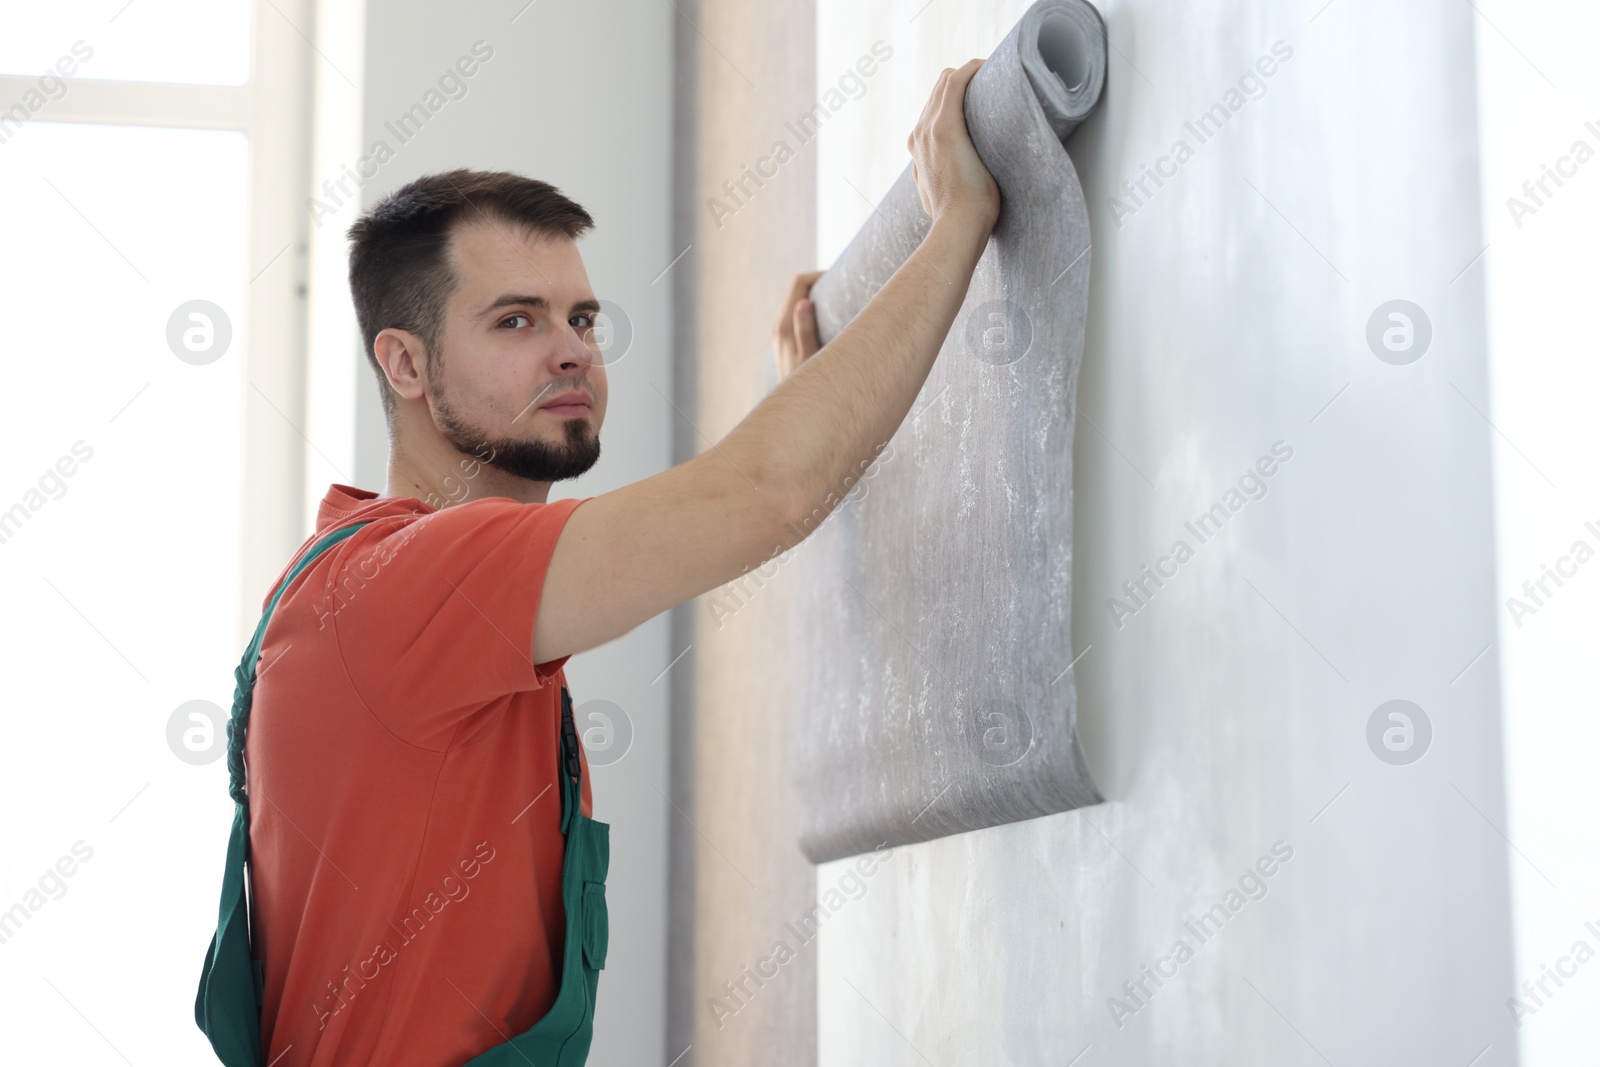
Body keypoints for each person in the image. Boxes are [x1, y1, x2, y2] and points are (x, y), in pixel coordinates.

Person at [243, 58, 998, 1067]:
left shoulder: (409, 599)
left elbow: (752, 500)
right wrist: (957, 221)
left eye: (582, 318)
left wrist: (821, 414)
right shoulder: (398, 586)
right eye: (516, 319)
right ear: (406, 363)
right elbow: (763, 495)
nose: (572, 351)